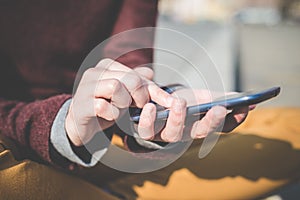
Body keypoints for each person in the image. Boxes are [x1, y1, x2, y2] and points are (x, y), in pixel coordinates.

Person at [0, 0, 253, 199]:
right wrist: (63, 123)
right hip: (13, 140)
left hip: (99, 140)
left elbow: (130, 65)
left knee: (290, 126)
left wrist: (157, 103)